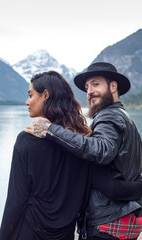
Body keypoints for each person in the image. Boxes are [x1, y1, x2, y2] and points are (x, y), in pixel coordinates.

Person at [24, 63, 142, 240]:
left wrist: (50, 130)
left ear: (113, 86)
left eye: (96, 84)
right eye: (87, 87)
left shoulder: (109, 116)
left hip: (107, 221)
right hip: (122, 218)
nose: (89, 91)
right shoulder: (125, 118)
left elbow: (102, 150)